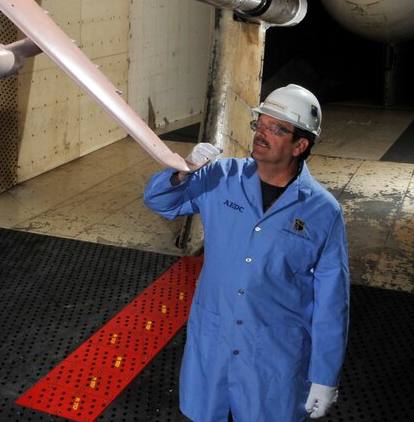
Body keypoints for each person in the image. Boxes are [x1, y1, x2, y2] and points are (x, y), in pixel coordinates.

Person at [144, 84, 349, 422]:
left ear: (300, 145)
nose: (262, 134)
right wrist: (182, 171)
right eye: (261, 123)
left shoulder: (322, 212)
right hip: (214, 345)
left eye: (277, 128)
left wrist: (325, 376)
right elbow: (160, 202)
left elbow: (332, 302)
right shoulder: (220, 178)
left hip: (272, 361)